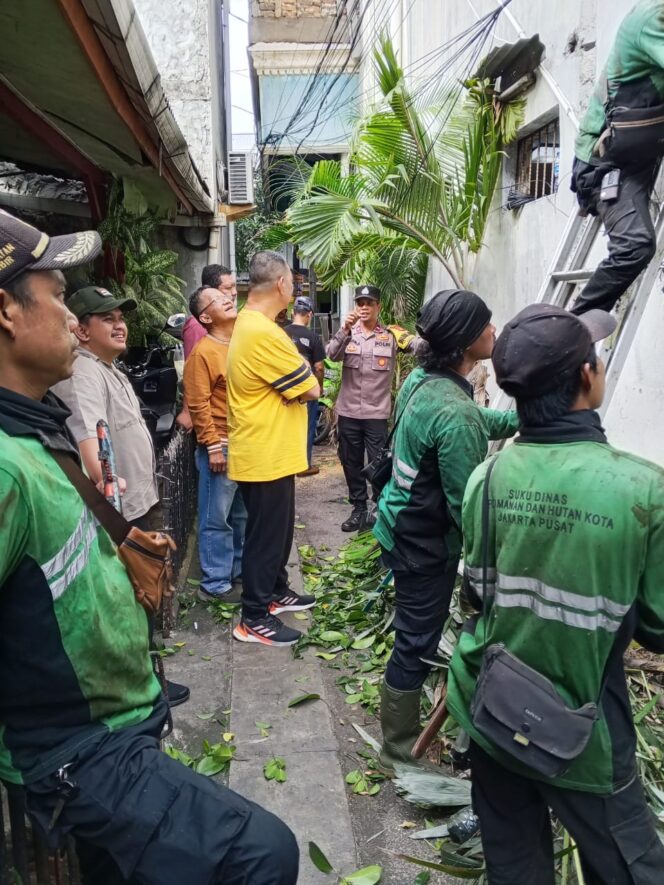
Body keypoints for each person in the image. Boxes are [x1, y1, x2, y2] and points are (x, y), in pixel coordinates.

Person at [0, 210, 299, 885]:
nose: (72, 320)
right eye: (54, 295)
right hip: (78, 749)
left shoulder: (33, 420)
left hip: (116, 725)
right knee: (261, 853)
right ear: (7, 312)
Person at [446, 303, 664, 884]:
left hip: (490, 706)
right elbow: (659, 628)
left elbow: (480, 590)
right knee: (631, 865)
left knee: (515, 866)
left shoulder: (486, 478)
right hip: (582, 727)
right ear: (588, 377)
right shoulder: (642, 488)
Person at [372, 289, 519, 774]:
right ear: (466, 342)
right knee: (416, 640)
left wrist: (527, 416)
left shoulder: (423, 380)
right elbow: (467, 507)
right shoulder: (454, 413)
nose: (494, 331)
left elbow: (475, 418)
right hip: (423, 544)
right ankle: (398, 747)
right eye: (488, 325)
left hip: (397, 523)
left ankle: (399, 732)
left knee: (412, 633)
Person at [51, 285, 190, 708]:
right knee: (133, 597)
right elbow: (92, 441)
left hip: (138, 503)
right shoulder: (82, 374)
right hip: (118, 514)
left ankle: (148, 677)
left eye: (121, 316)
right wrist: (106, 482)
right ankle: (141, 688)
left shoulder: (107, 367)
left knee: (145, 593)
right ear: (80, 329)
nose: (119, 324)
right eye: (106, 317)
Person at [227, 251, 320, 647]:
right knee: (265, 538)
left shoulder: (253, 326)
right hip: (264, 453)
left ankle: (276, 591)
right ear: (282, 284)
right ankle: (252, 616)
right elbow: (312, 388)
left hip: (271, 452)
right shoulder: (265, 333)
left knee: (278, 534)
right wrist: (296, 389)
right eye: (293, 283)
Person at [570, 0, 664, 316]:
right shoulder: (651, 19)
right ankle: (570, 334)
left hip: (636, 155)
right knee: (635, 246)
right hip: (605, 165)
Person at [327, 285, 420, 532]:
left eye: (369, 303)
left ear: (378, 306)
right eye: (360, 303)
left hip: (377, 414)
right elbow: (331, 355)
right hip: (348, 413)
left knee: (380, 464)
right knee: (351, 462)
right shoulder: (348, 333)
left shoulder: (390, 335)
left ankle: (379, 509)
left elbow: (416, 346)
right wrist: (344, 330)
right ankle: (358, 508)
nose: (364, 308)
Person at [184, 286, 246, 603]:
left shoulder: (238, 344)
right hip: (219, 445)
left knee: (240, 515)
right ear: (205, 316)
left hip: (243, 444)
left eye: (226, 296)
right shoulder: (203, 352)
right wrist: (211, 445)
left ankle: (237, 571)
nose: (227, 298)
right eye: (216, 299)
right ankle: (215, 581)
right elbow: (198, 403)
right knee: (215, 517)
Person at [177, 264, 238, 431]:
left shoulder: (231, 329)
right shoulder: (197, 326)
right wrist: (188, 412)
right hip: (213, 428)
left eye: (234, 287)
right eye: (227, 288)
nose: (233, 293)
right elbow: (194, 375)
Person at [285, 295, 325, 476]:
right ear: (310, 314)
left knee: (284, 426)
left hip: (283, 390)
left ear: (293, 312)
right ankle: (303, 465)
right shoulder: (314, 337)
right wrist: (319, 388)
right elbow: (319, 367)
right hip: (306, 390)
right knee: (307, 428)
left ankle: (284, 464)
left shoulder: (281, 333)